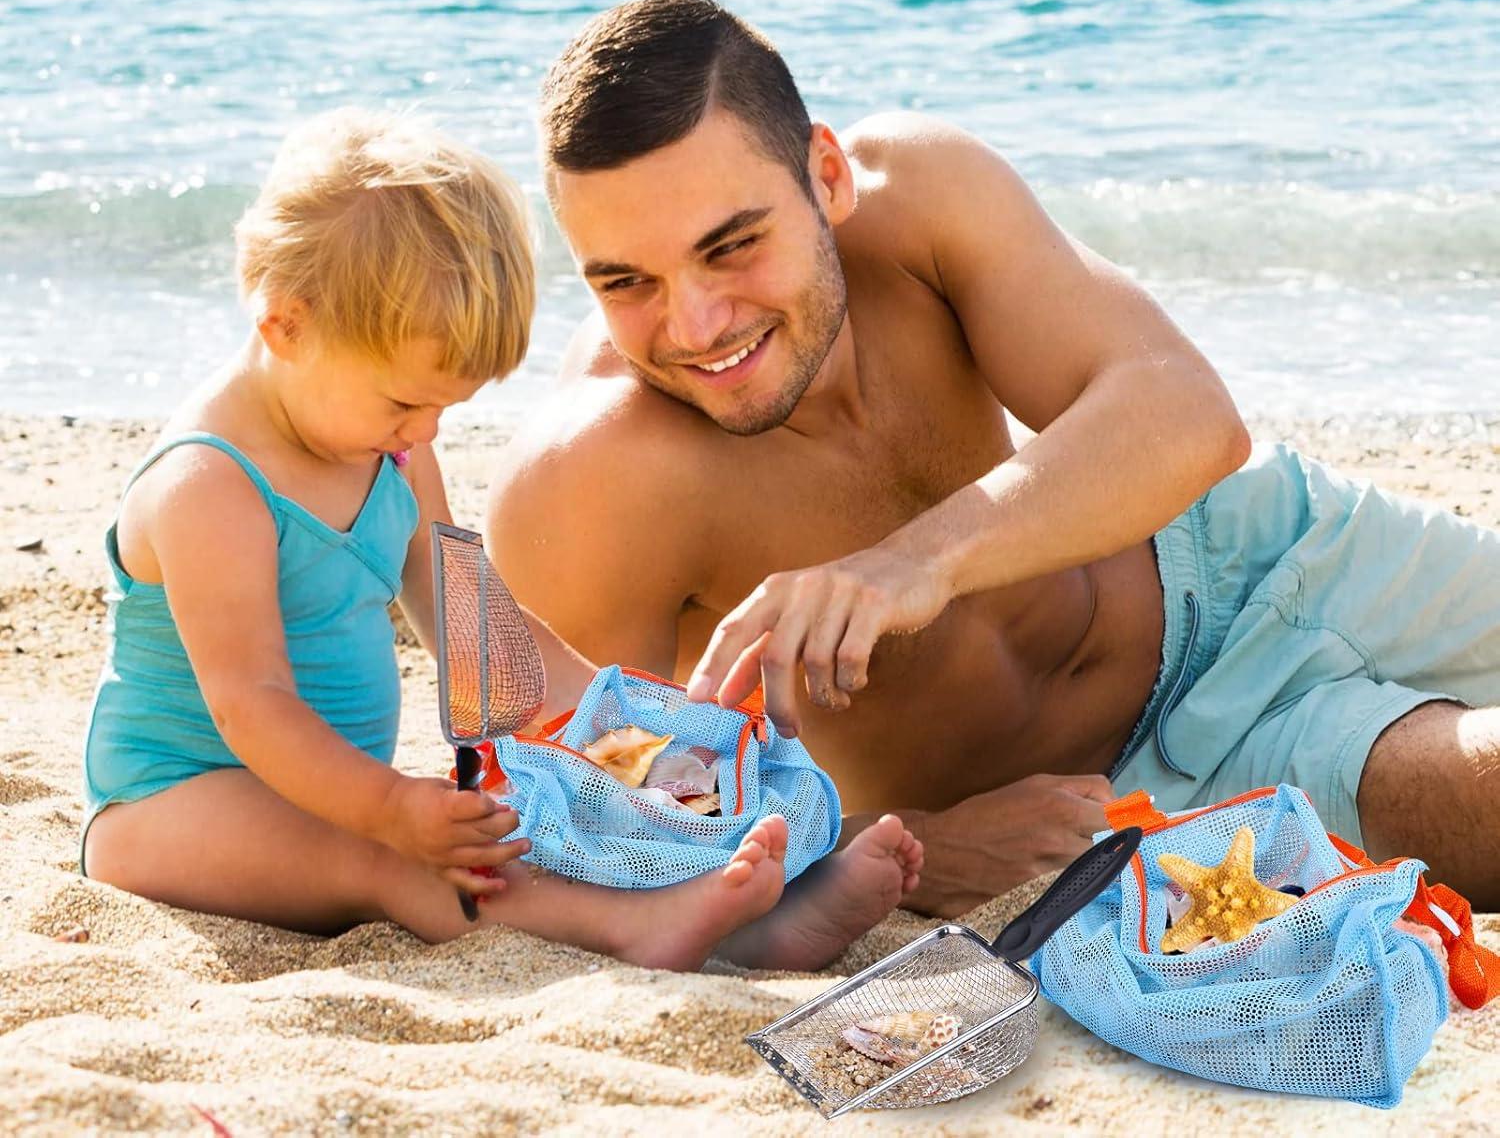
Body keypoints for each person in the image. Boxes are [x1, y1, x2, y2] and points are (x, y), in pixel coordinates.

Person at [488, 0, 1500, 916]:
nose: (696, 325)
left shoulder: (918, 196)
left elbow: (1192, 417)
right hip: (1146, 774)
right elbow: (588, 841)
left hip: (1251, 548)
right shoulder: (591, 487)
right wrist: (901, 847)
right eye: (627, 282)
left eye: (733, 245)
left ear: (828, 177)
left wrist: (911, 563)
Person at [81, 108, 921, 971]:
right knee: (398, 861)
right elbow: (251, 705)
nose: (426, 428)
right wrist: (389, 810)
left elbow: (469, 623)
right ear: (286, 327)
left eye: (448, 405)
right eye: (406, 401)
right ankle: (640, 932)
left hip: (336, 795)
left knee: (530, 813)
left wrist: (623, 727)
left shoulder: (392, 446)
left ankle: (756, 931)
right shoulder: (209, 488)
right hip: (173, 807)